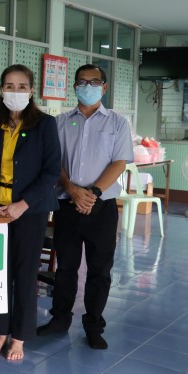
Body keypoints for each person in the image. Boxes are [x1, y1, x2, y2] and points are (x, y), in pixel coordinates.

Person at [37, 64, 133, 350]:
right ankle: (60, 319)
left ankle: (93, 325)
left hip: (101, 206)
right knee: (65, 266)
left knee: (99, 269)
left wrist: (92, 193)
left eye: (94, 82)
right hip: (67, 203)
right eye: (82, 82)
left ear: (104, 87)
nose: (87, 87)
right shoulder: (60, 122)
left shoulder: (117, 123)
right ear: (74, 86)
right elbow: (54, 162)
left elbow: (119, 163)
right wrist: (73, 190)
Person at [0, 64, 61, 360]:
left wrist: (23, 204)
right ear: (1, 90)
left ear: (31, 90)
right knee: (0, 273)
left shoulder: (45, 125)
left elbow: (51, 171)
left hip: (30, 210)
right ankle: (1, 331)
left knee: (25, 272)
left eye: (22, 86)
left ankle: (20, 337)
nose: (15, 91)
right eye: (9, 86)